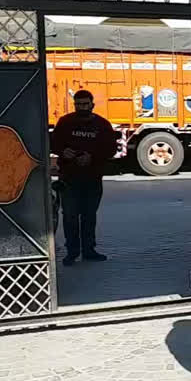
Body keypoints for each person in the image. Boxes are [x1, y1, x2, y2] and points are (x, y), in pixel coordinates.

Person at [51, 90, 117, 266]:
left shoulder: (102, 125)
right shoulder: (65, 123)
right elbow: (53, 143)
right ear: (74, 105)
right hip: (69, 178)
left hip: (92, 178)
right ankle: (72, 252)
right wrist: (63, 151)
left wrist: (92, 157)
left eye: (85, 104)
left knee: (89, 216)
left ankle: (89, 250)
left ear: (92, 105)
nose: (82, 107)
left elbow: (111, 149)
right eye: (78, 104)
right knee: (70, 216)